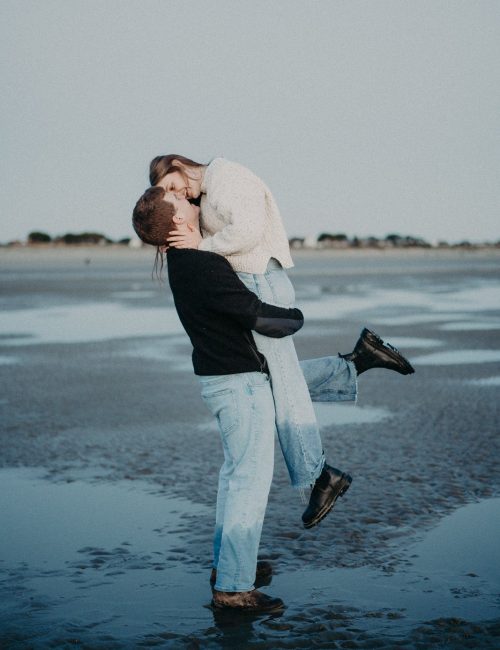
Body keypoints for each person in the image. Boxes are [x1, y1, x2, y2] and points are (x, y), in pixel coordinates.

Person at [132, 186, 414, 612]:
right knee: (248, 483)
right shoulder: (200, 264)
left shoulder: (184, 261)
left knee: (237, 475)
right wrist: (296, 316)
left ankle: (228, 566)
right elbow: (261, 317)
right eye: (183, 203)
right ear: (176, 221)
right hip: (238, 384)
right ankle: (233, 588)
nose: (193, 202)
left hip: (225, 380)